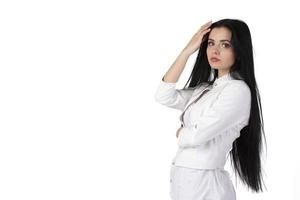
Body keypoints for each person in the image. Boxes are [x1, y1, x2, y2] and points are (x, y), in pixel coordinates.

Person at [154, 19, 266, 200]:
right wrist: (187, 51)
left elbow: (197, 136)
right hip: (186, 181)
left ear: (239, 51)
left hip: (206, 185)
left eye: (225, 45)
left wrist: (181, 132)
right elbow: (163, 96)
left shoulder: (238, 91)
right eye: (211, 43)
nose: (215, 51)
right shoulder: (205, 89)